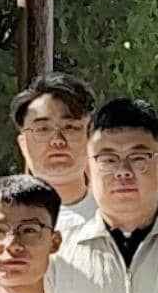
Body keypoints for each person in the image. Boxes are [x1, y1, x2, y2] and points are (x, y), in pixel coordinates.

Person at [50, 95, 158, 293]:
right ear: (88, 171)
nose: (123, 172)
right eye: (108, 159)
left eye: (138, 158)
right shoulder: (57, 255)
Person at [10, 72, 106, 235]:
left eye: (70, 127)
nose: (57, 141)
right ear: (23, 145)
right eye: (43, 129)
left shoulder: (122, 219)